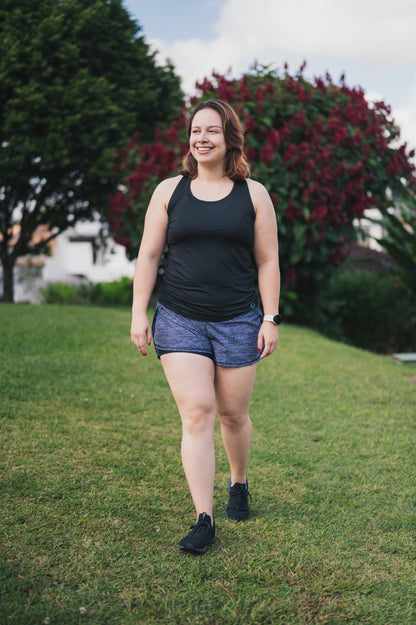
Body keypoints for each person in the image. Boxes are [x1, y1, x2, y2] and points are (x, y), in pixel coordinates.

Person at [130, 99, 281, 554]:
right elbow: (149, 255)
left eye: (212, 130)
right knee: (197, 412)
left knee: (233, 414)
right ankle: (204, 518)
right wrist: (139, 312)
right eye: (196, 130)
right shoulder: (169, 191)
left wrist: (270, 317)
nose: (202, 138)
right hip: (180, 318)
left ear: (229, 138)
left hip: (239, 320)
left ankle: (239, 481)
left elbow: (268, 259)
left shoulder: (253, 194)